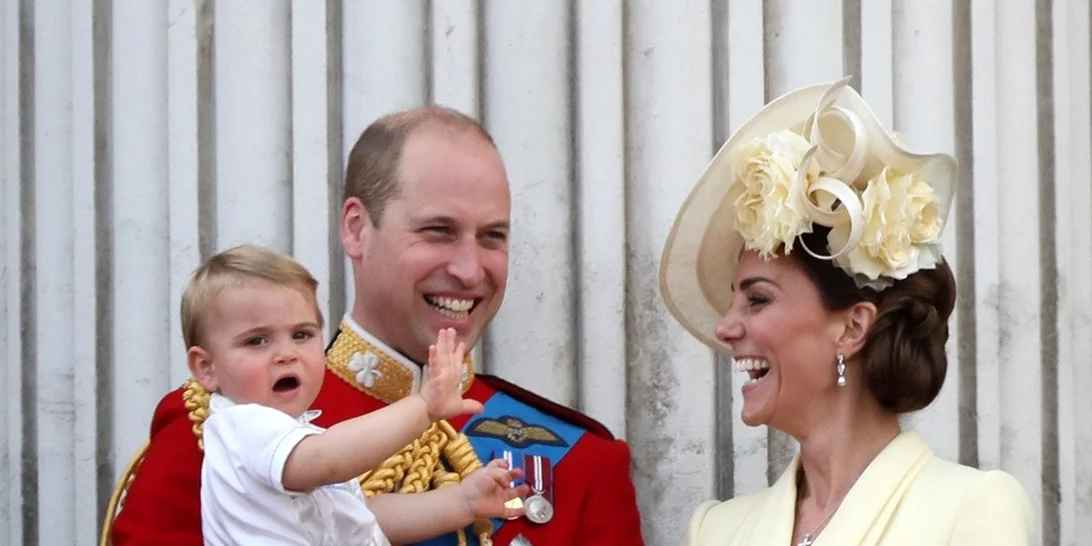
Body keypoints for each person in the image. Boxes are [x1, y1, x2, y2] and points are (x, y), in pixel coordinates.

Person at [109, 106, 645, 546]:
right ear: (357, 229)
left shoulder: (579, 462)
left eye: (492, 237)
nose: (469, 268)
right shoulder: (220, 424)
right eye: (438, 230)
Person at [659, 78, 1034, 545]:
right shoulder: (716, 530)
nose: (725, 327)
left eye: (757, 299)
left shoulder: (971, 509)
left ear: (852, 327)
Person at [181, 244, 527, 545]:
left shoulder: (287, 437)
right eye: (256, 340)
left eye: (301, 335)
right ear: (206, 368)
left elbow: (360, 516)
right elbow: (324, 460)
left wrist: (462, 503)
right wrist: (423, 407)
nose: (286, 353)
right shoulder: (244, 428)